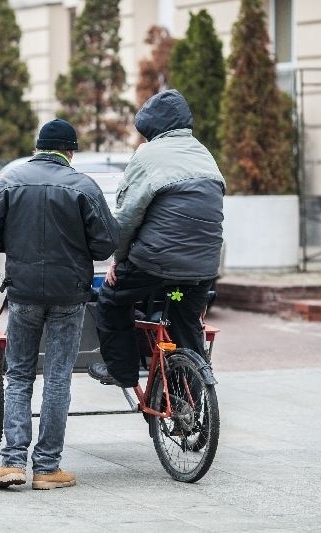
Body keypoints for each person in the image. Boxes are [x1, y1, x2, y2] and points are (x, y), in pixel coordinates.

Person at [0, 118, 117, 490]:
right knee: (57, 377)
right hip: (69, 293)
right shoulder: (84, 186)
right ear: (69, 151)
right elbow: (105, 243)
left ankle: (13, 462)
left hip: (22, 291)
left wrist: (17, 245)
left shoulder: (10, 181)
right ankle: (47, 468)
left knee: (18, 375)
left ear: (38, 147)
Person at [89, 89, 225, 388]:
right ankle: (188, 399)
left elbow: (126, 218)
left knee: (113, 300)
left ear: (152, 127)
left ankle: (121, 371)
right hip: (201, 271)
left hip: (154, 266)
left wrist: (118, 261)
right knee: (184, 316)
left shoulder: (147, 155)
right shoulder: (203, 154)